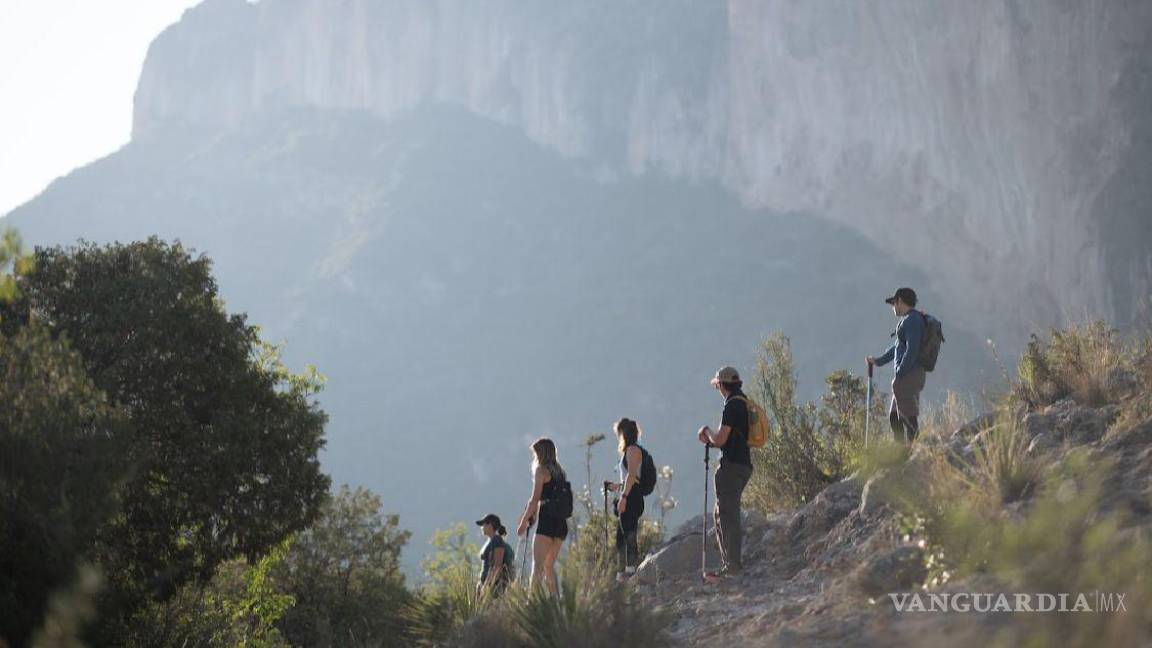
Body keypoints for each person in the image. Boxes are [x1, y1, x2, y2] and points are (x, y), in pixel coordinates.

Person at [697, 366, 753, 581]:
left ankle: (732, 567)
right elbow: (732, 439)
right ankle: (730, 564)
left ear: (721, 384)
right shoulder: (744, 402)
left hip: (731, 466)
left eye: (718, 385)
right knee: (724, 513)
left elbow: (720, 439)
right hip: (743, 464)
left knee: (727, 515)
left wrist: (706, 432)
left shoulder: (731, 406)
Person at [867, 287, 927, 447]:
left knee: (907, 416)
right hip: (909, 374)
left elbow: (912, 349)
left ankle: (912, 451)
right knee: (895, 416)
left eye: (893, 303)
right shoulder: (908, 320)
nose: (892, 307)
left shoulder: (912, 321)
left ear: (900, 300)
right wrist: (878, 361)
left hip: (909, 375)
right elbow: (897, 348)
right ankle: (901, 451)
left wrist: (900, 371)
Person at [516, 437, 568, 594]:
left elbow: (535, 499)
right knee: (549, 566)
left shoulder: (541, 471)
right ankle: (555, 602)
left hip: (547, 523)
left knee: (537, 565)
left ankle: (532, 603)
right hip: (561, 524)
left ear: (541, 454)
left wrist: (524, 522)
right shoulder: (560, 472)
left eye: (536, 453)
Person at [606, 417, 646, 581]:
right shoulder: (631, 450)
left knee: (628, 533)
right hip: (629, 493)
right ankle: (622, 572)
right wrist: (616, 486)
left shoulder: (632, 450)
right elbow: (629, 478)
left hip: (631, 496)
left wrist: (623, 496)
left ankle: (630, 572)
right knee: (622, 535)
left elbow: (631, 476)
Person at [476, 513, 513, 598]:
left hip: (494, 587)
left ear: (490, 525)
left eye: (483, 525)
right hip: (485, 584)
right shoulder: (490, 540)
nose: (482, 528)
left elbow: (497, 566)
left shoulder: (497, 540)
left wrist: (487, 586)